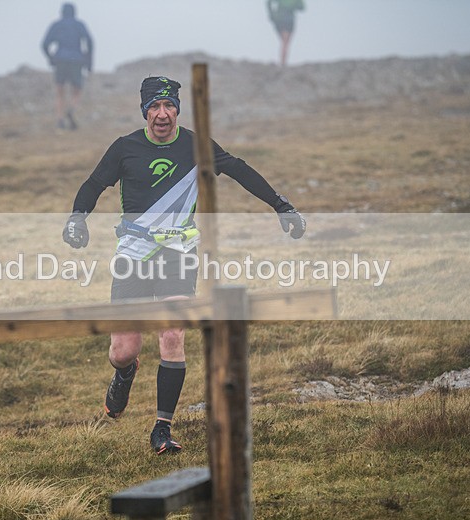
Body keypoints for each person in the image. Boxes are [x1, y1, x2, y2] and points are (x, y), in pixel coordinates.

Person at [62, 76, 306, 455]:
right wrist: (77, 218)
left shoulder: (196, 145)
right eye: (155, 107)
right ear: (144, 111)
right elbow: (94, 185)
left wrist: (282, 206)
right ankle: (125, 372)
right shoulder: (125, 148)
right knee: (123, 349)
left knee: (173, 334)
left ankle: (162, 428)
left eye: (169, 106)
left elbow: (239, 169)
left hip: (178, 250)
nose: (163, 114)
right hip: (134, 252)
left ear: (178, 108)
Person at [41, 3, 94, 130]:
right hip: (76, 59)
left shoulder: (57, 25)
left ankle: (60, 119)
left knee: (60, 91)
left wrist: (51, 57)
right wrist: (89, 61)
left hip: (60, 59)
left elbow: (44, 44)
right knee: (77, 90)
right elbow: (90, 42)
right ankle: (71, 109)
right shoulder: (79, 25)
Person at [267, 0, 305, 66]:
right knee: (285, 43)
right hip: (288, 21)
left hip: (279, 20)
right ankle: (283, 62)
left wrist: (272, 14)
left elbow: (269, 2)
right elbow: (301, 7)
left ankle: (283, 61)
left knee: (284, 42)